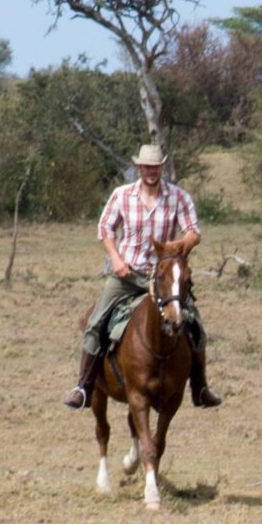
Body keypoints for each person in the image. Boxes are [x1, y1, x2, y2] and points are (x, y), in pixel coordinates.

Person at [63, 143, 221, 410]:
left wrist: (182, 245)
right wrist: (115, 258)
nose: (151, 171)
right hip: (129, 275)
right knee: (96, 322)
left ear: (161, 168)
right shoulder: (122, 195)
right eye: (146, 167)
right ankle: (84, 387)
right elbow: (105, 228)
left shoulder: (178, 197)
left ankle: (200, 387)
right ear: (139, 168)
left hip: (164, 277)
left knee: (194, 325)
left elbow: (194, 230)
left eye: (156, 167)